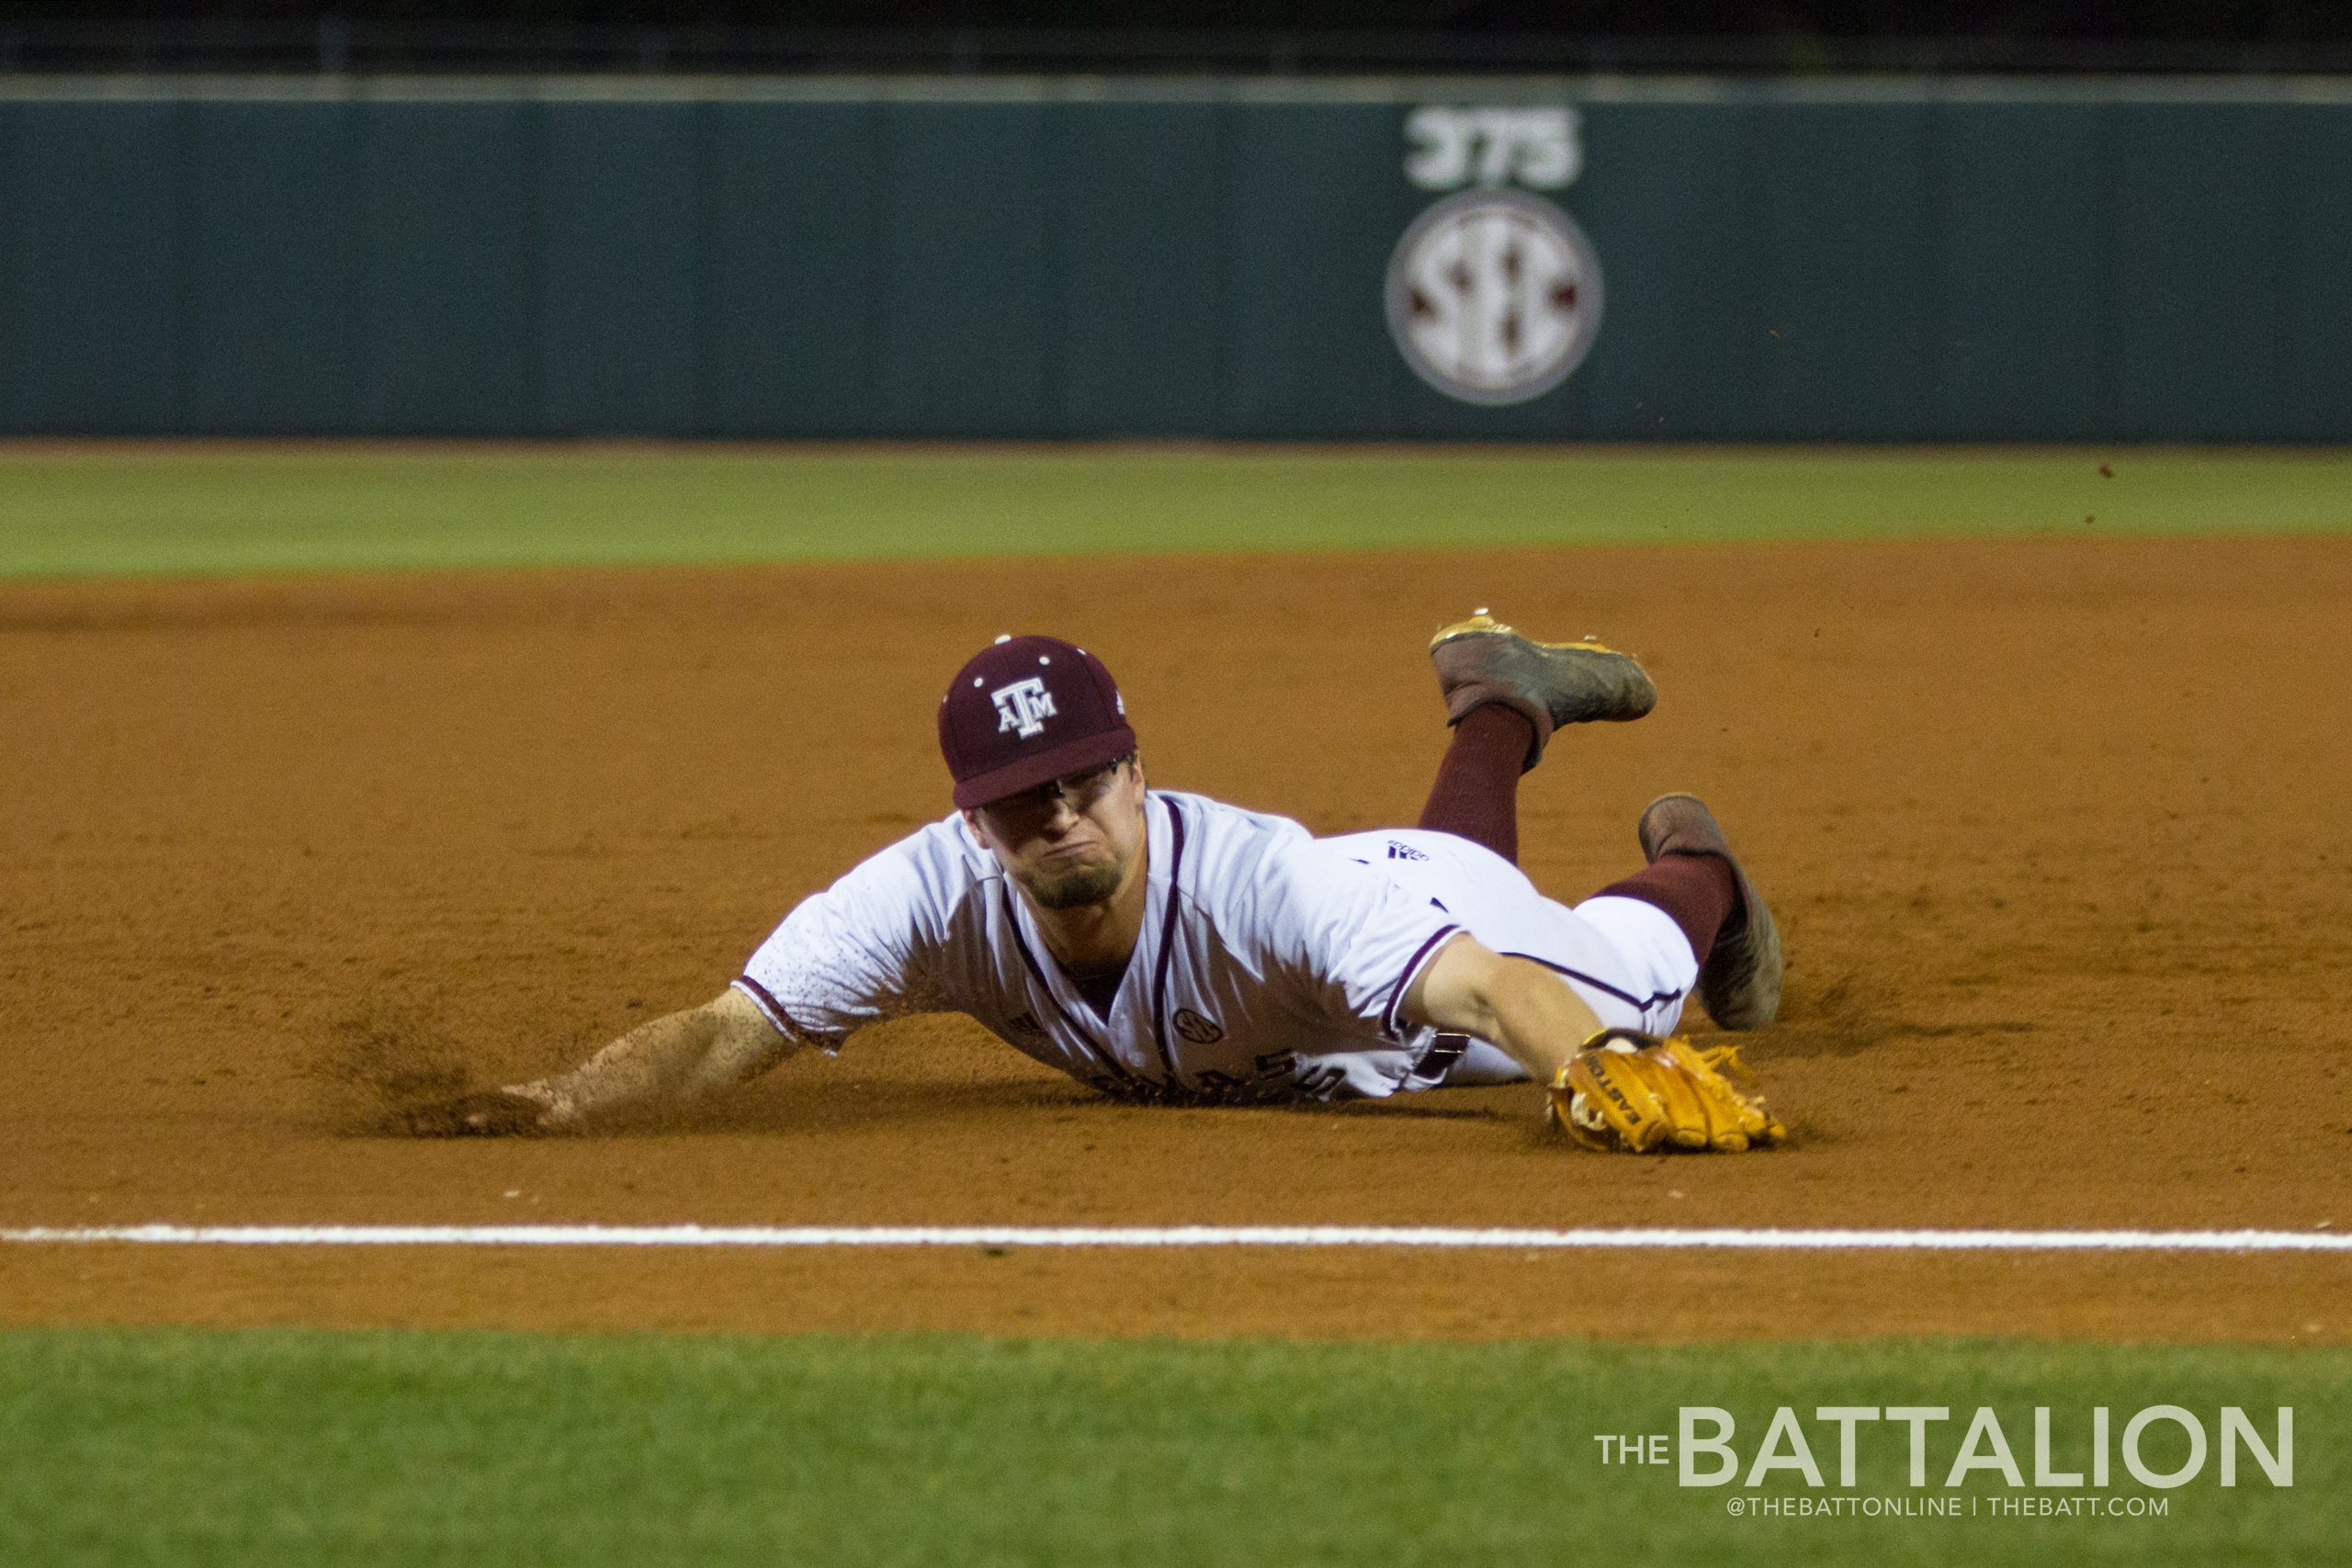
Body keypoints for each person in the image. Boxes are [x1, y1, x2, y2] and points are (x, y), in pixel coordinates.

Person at [406, 612, 1784, 1148]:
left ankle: (1700, 862)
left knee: (1630, 976)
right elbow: (731, 1030)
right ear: (971, 824)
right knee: (1457, 867)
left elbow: (1486, 984)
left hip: (1415, 933)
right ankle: (1503, 699)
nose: (1063, 819)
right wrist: (556, 1102)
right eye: (1022, 803)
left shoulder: (1263, 890)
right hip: (1368, 927)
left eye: (1085, 782)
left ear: (1138, 772)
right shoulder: (925, 900)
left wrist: (1587, 1063)